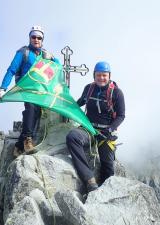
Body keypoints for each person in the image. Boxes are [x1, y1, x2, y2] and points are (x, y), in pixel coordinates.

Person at [0, 25, 59, 156]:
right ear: (30, 38)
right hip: (26, 88)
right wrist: (3, 88)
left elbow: (58, 67)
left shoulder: (45, 55)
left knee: (35, 114)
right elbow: (11, 70)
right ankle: (27, 141)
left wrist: (53, 58)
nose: (36, 40)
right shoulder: (23, 52)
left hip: (40, 90)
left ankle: (18, 146)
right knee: (31, 108)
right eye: (33, 37)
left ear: (42, 40)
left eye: (39, 38)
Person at [66, 61, 125, 193]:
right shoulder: (89, 89)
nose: (101, 78)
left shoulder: (116, 93)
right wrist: (66, 106)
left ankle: (104, 194)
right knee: (73, 137)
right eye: (98, 75)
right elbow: (80, 102)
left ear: (109, 76)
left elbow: (121, 115)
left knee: (108, 168)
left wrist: (110, 129)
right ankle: (89, 180)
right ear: (94, 75)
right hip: (89, 128)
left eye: (104, 75)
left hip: (106, 133)